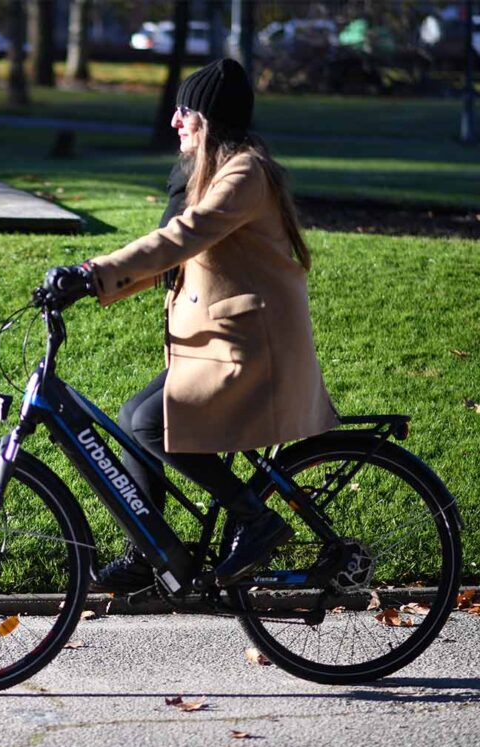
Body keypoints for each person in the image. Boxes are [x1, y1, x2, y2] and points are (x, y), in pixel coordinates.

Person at [43, 59, 339, 593]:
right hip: (225, 344)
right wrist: (89, 286)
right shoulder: (210, 174)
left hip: (254, 351)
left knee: (147, 424)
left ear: (212, 119)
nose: (176, 119)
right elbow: (170, 259)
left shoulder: (245, 173)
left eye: (187, 110)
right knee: (136, 416)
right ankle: (148, 549)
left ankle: (256, 518)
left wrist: (92, 272)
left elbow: (182, 238)